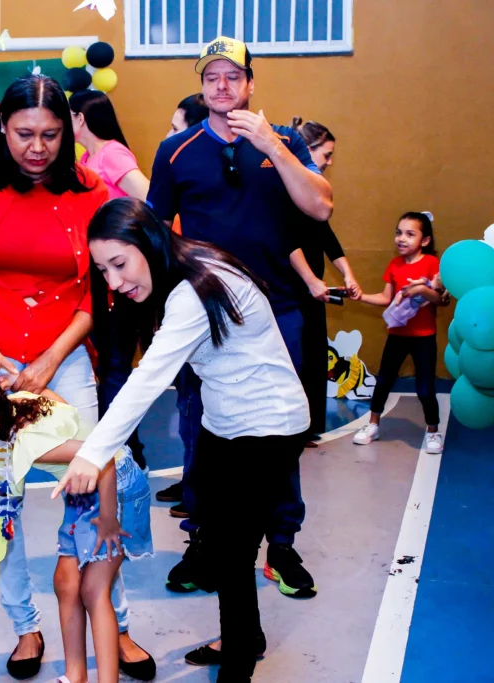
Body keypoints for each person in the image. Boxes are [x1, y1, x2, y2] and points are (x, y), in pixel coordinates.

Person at [0, 74, 153, 680]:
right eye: (25, 133)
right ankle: (24, 625)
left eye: (51, 135)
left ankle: (116, 622)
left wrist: (52, 359)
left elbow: (96, 290)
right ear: (2, 127)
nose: (38, 147)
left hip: (63, 354)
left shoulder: (89, 187)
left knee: (93, 482)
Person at [53, 198, 310, 683]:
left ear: (148, 242)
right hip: (224, 421)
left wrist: (92, 453)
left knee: (233, 553)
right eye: (103, 270)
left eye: (120, 264)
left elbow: (148, 378)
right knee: (215, 533)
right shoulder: (183, 272)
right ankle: (246, 636)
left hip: (268, 427)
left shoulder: (192, 290)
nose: (113, 281)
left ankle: (238, 664)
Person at [145, 36, 332, 601]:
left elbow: (320, 206)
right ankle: (205, 540)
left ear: (251, 83)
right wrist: (161, 308)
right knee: (199, 428)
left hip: (279, 312)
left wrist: (272, 144)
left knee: (281, 434)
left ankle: (281, 544)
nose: (222, 86)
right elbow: (155, 234)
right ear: (202, 87)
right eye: (211, 78)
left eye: (233, 76)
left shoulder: (285, 143)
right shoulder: (175, 151)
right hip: (207, 316)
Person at [0, 375, 152, 683]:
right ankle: (75, 675)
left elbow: (105, 457)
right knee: (65, 584)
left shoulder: (31, 445)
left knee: (94, 591)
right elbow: (60, 405)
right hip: (83, 492)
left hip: (116, 491)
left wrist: (109, 517)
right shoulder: (16, 406)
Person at [68, 89, 150, 472]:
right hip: (99, 277)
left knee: (116, 364)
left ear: (80, 118)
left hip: (123, 279)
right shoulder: (85, 160)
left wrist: (127, 247)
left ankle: (126, 452)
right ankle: (121, 447)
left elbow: (148, 199)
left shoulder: (113, 154)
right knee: (108, 364)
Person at [286, 118, 361, 446]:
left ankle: (308, 425)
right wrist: (310, 279)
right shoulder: (286, 188)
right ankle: (292, 427)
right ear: (307, 149)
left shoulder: (313, 189)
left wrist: (347, 272)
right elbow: (286, 240)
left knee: (315, 354)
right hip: (290, 288)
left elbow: (325, 235)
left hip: (313, 289)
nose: (329, 162)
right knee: (295, 356)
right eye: (326, 155)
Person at [353, 212, 446, 454]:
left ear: (425, 240)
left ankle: (433, 431)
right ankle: (373, 425)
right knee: (384, 381)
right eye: (398, 233)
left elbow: (441, 299)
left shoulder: (432, 264)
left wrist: (419, 290)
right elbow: (386, 298)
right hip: (397, 335)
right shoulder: (394, 265)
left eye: (409, 234)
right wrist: (361, 296)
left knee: (425, 388)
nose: (401, 238)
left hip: (424, 337)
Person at [155, 93, 209, 510]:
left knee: (197, 403)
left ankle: (200, 490)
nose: (168, 137)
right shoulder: (176, 181)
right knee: (188, 401)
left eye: (176, 129)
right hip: (183, 297)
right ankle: (193, 479)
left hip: (202, 304)